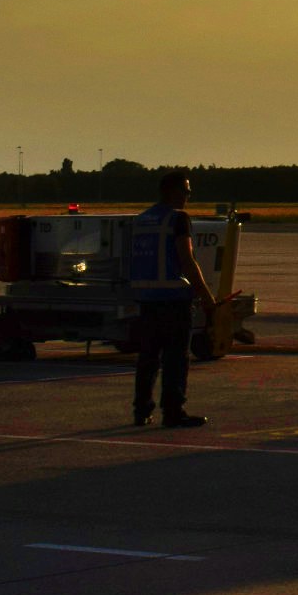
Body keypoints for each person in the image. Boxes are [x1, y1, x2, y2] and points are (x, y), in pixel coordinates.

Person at [123, 171, 211, 428]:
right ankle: (173, 411)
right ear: (172, 192)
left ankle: (142, 411)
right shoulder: (178, 219)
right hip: (173, 300)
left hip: (147, 300)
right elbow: (187, 260)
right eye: (186, 191)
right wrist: (205, 295)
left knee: (148, 358)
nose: (188, 197)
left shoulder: (142, 220)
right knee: (175, 359)